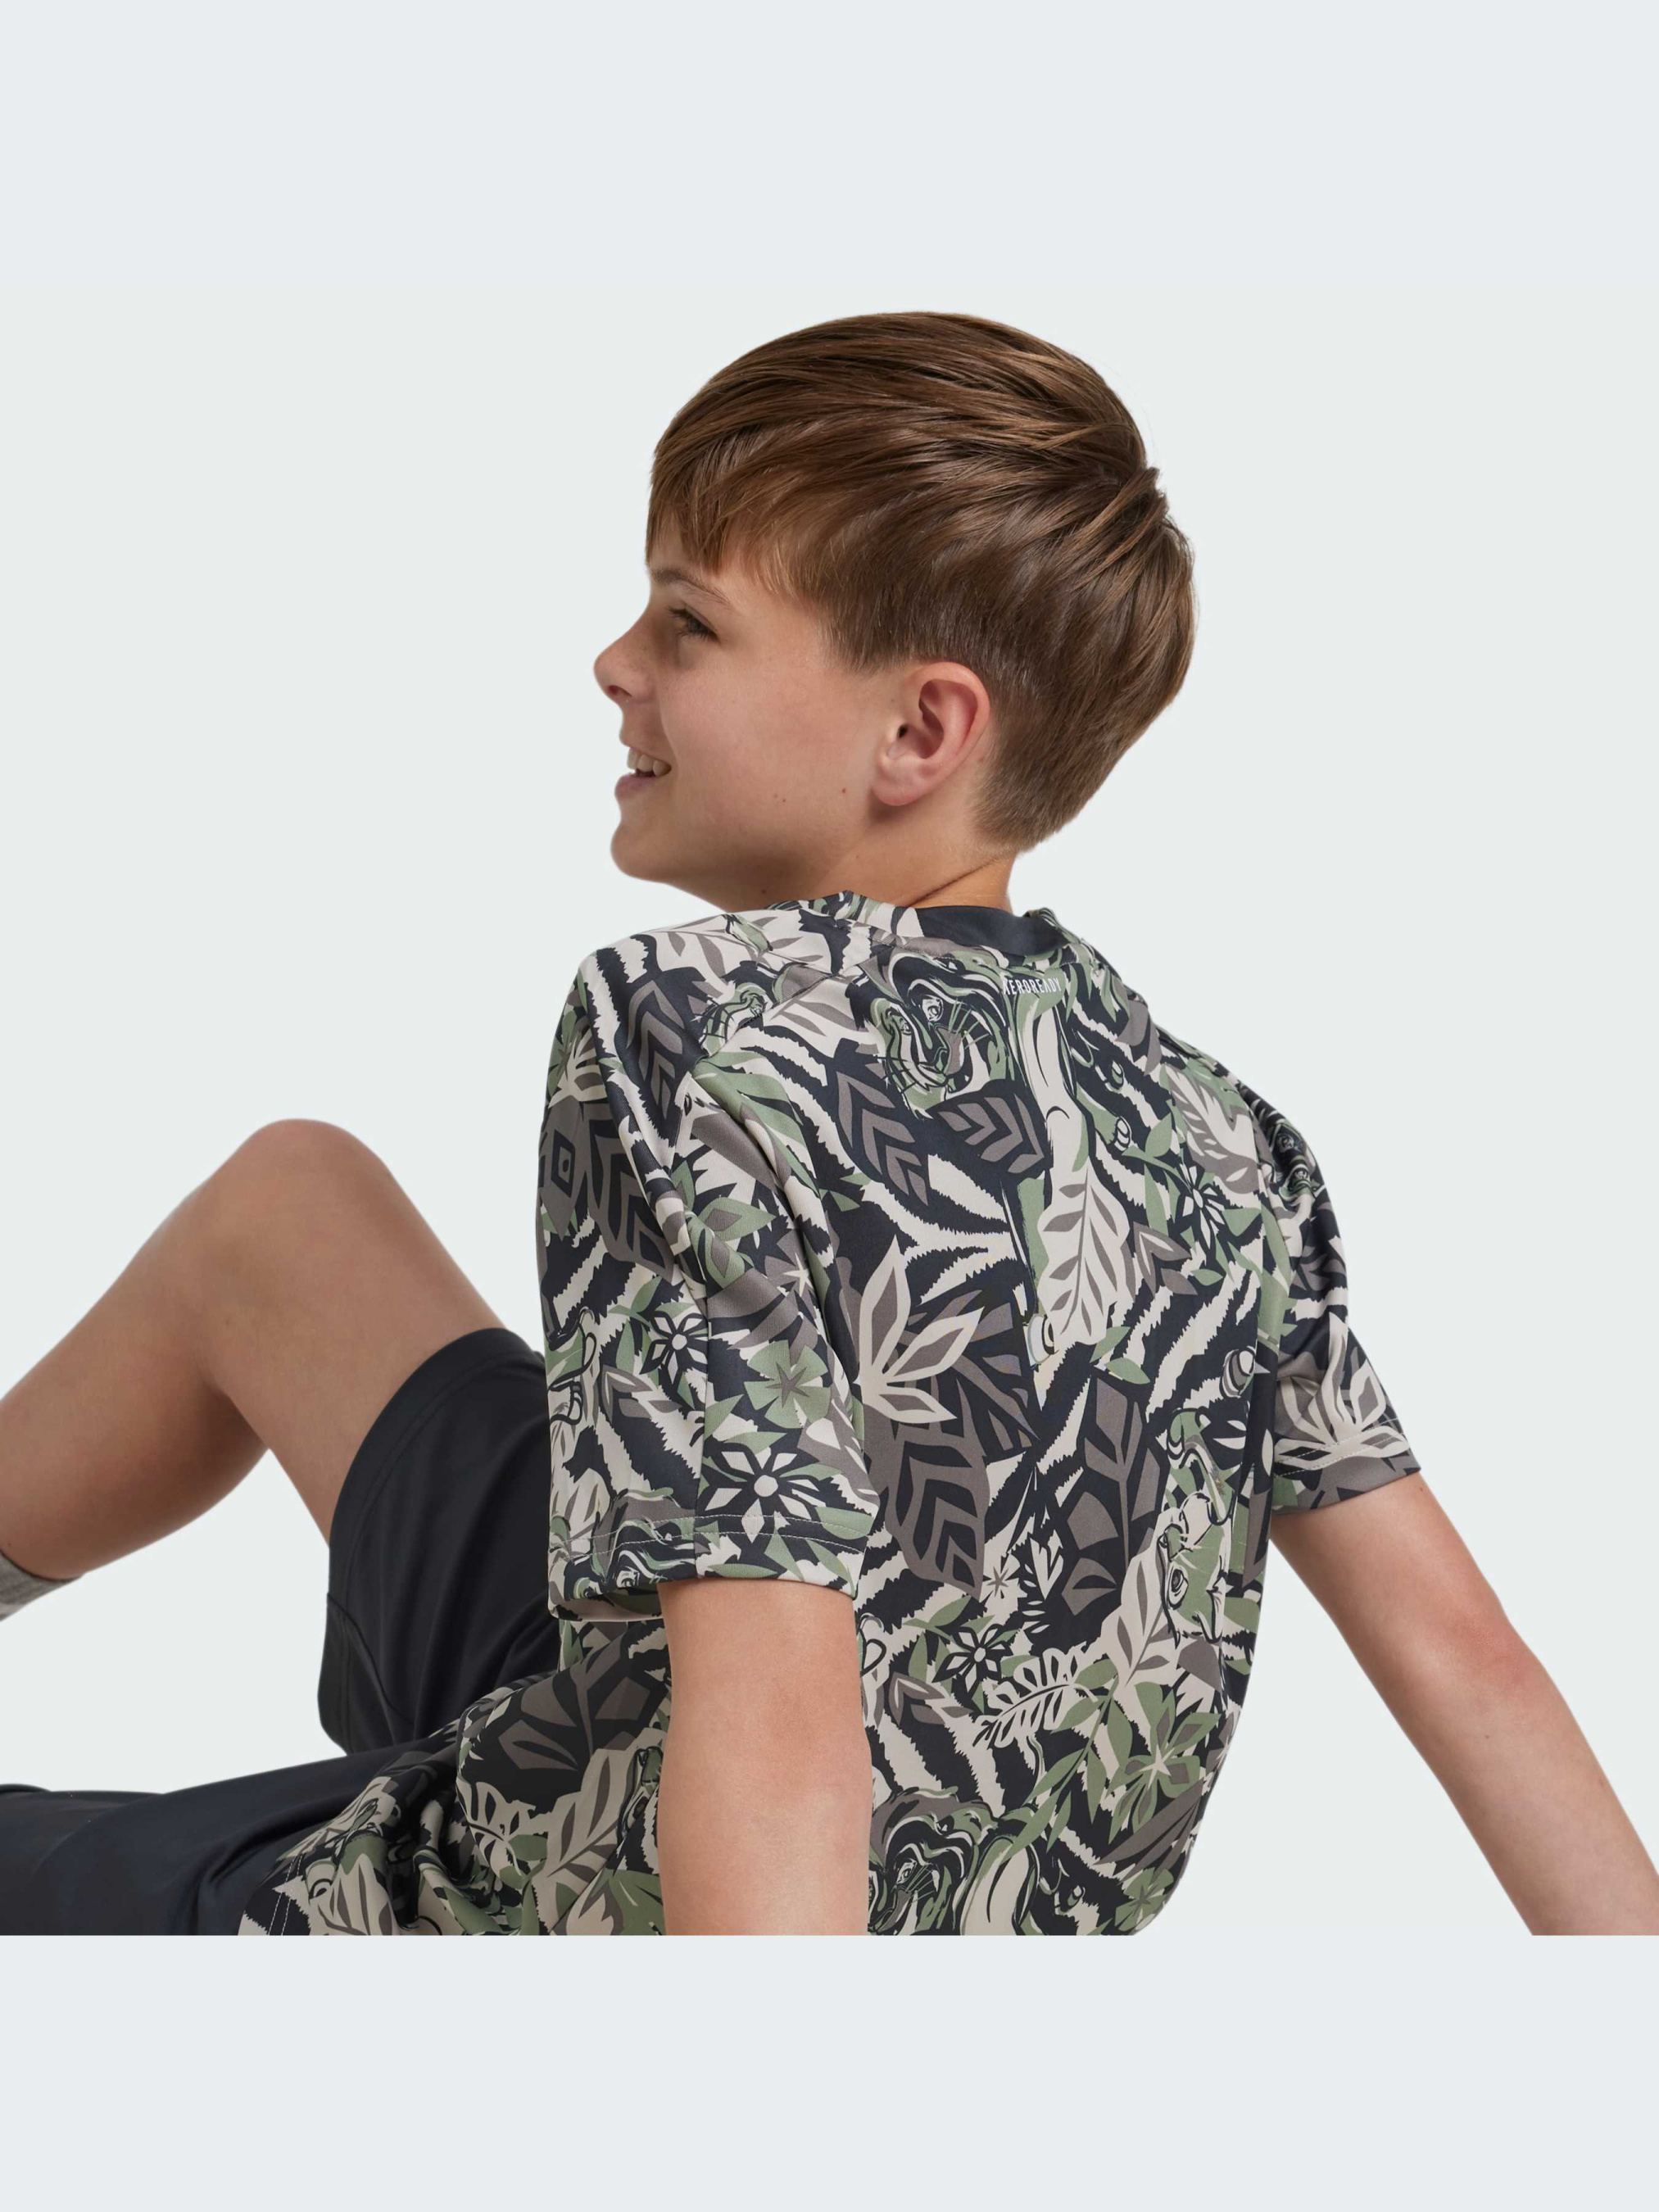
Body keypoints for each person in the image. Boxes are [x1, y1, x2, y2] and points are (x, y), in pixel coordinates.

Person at [2, 310, 1654, 1938]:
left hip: (632, 1915)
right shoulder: (1220, 1136)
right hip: (743, 1789)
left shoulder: (689, 1037)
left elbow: (779, 1712)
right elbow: (1463, 1656)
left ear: (917, 732)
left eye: (687, 626)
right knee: (290, 1209)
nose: (614, 664)